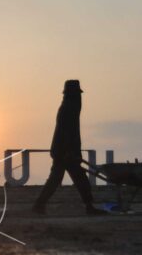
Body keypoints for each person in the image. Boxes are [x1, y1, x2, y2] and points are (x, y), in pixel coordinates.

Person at [32, 80, 105, 215]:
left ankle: (39, 205)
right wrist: (69, 151)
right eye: (77, 94)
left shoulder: (69, 107)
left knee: (68, 178)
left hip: (65, 151)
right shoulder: (68, 108)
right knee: (68, 179)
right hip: (64, 152)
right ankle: (39, 205)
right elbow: (66, 132)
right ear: (72, 94)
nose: (79, 97)